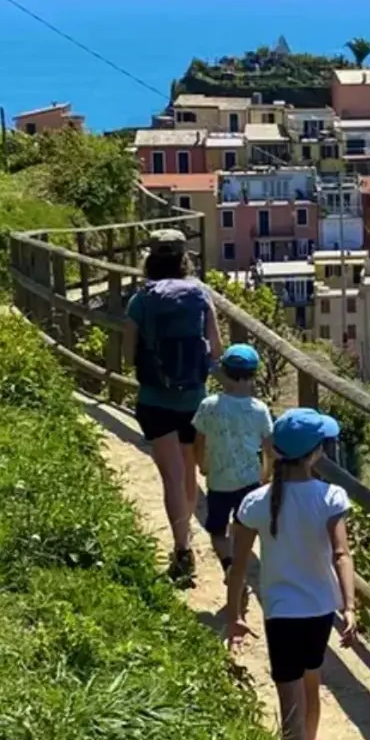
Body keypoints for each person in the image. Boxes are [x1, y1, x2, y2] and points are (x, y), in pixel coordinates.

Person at [225, 408, 357, 740]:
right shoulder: (331, 496)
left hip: (279, 611)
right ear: (315, 453)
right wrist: (349, 606)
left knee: (288, 698)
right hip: (318, 610)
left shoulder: (254, 501)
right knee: (310, 684)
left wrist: (234, 615)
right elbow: (342, 554)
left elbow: (237, 568)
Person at [120, 229, 220, 586]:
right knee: (188, 472)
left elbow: (125, 352)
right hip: (194, 398)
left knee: (171, 476)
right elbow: (217, 349)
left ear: (149, 259)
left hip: (154, 398)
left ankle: (181, 548)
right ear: (184, 260)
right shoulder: (200, 294)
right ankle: (186, 538)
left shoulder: (140, 300)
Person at [192, 343, 274, 574]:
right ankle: (239, 564)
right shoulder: (259, 409)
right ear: (254, 375)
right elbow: (269, 449)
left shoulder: (208, 406)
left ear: (224, 373)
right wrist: (266, 475)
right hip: (249, 480)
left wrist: (202, 464)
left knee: (218, 531)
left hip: (218, 480)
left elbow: (199, 441)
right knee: (243, 526)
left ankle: (228, 563)